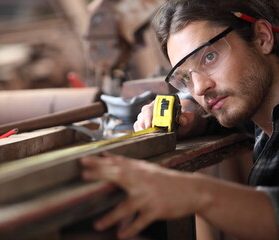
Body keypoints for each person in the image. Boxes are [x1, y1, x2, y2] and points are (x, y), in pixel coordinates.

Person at [80, 0, 279, 239]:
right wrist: (192, 116)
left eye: (209, 57)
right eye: (185, 76)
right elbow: (207, 105)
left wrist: (196, 194)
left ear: (262, 38)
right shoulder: (260, 113)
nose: (200, 87)